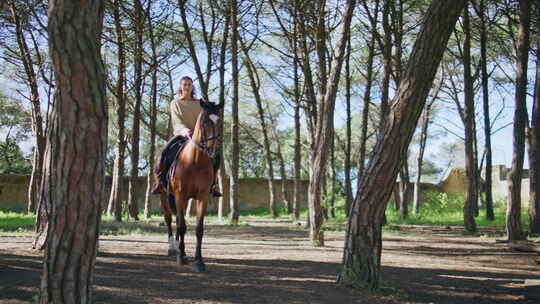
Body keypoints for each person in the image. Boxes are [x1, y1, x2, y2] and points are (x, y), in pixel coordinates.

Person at [152, 76, 222, 197]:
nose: (187, 87)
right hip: (182, 135)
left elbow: (208, 116)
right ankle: (159, 183)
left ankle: (214, 184)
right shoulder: (175, 103)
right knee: (163, 154)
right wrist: (184, 130)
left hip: (199, 138)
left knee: (216, 156)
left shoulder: (199, 103)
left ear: (192, 87)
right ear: (180, 87)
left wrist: (217, 119)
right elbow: (176, 120)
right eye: (184, 84)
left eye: (189, 84)